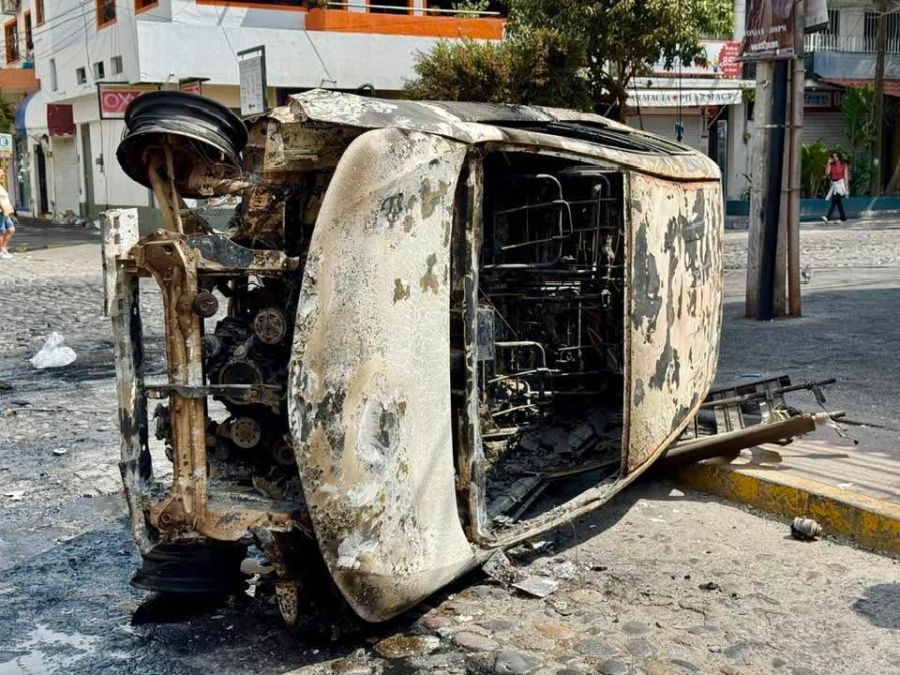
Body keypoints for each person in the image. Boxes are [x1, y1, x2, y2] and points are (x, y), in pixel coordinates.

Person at [822, 152, 849, 223]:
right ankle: (843, 217)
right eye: (833, 156)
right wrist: (828, 163)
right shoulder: (831, 165)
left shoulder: (844, 165)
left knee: (834, 201)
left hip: (840, 184)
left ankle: (827, 217)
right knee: (838, 202)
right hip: (834, 184)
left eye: (836, 156)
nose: (834, 158)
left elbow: (846, 176)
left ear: (839, 157)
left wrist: (846, 188)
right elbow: (827, 173)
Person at [0, 183, 15, 259]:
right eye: (0, 174)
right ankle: (1, 252)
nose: (2, 175)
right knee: (1, 232)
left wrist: (9, 208)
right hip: (1, 212)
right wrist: (4, 210)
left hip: (5, 212)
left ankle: (3, 248)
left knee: (11, 229)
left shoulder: (1, 186)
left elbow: (5, 199)